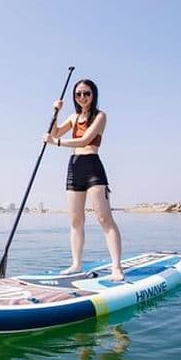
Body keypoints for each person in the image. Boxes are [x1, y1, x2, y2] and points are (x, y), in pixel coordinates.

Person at [43, 78, 124, 281]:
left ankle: (116, 267)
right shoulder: (73, 116)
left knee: (104, 218)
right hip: (74, 167)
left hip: (93, 167)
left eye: (86, 93)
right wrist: (56, 112)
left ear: (93, 94)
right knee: (76, 219)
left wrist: (57, 142)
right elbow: (53, 132)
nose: (82, 97)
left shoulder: (100, 116)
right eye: (79, 94)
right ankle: (76, 264)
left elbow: (85, 139)